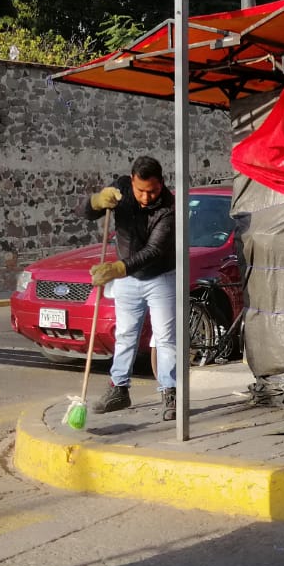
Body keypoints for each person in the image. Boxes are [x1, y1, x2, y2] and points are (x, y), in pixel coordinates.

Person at [84, 155, 178, 420]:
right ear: (132, 182)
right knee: (125, 334)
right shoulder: (121, 189)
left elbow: (154, 250)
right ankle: (119, 388)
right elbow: (87, 213)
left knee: (165, 337)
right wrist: (96, 201)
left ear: (161, 183)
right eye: (140, 191)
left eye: (152, 191)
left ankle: (170, 391)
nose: (146, 197)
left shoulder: (169, 208)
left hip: (160, 277)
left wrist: (116, 269)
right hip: (128, 279)